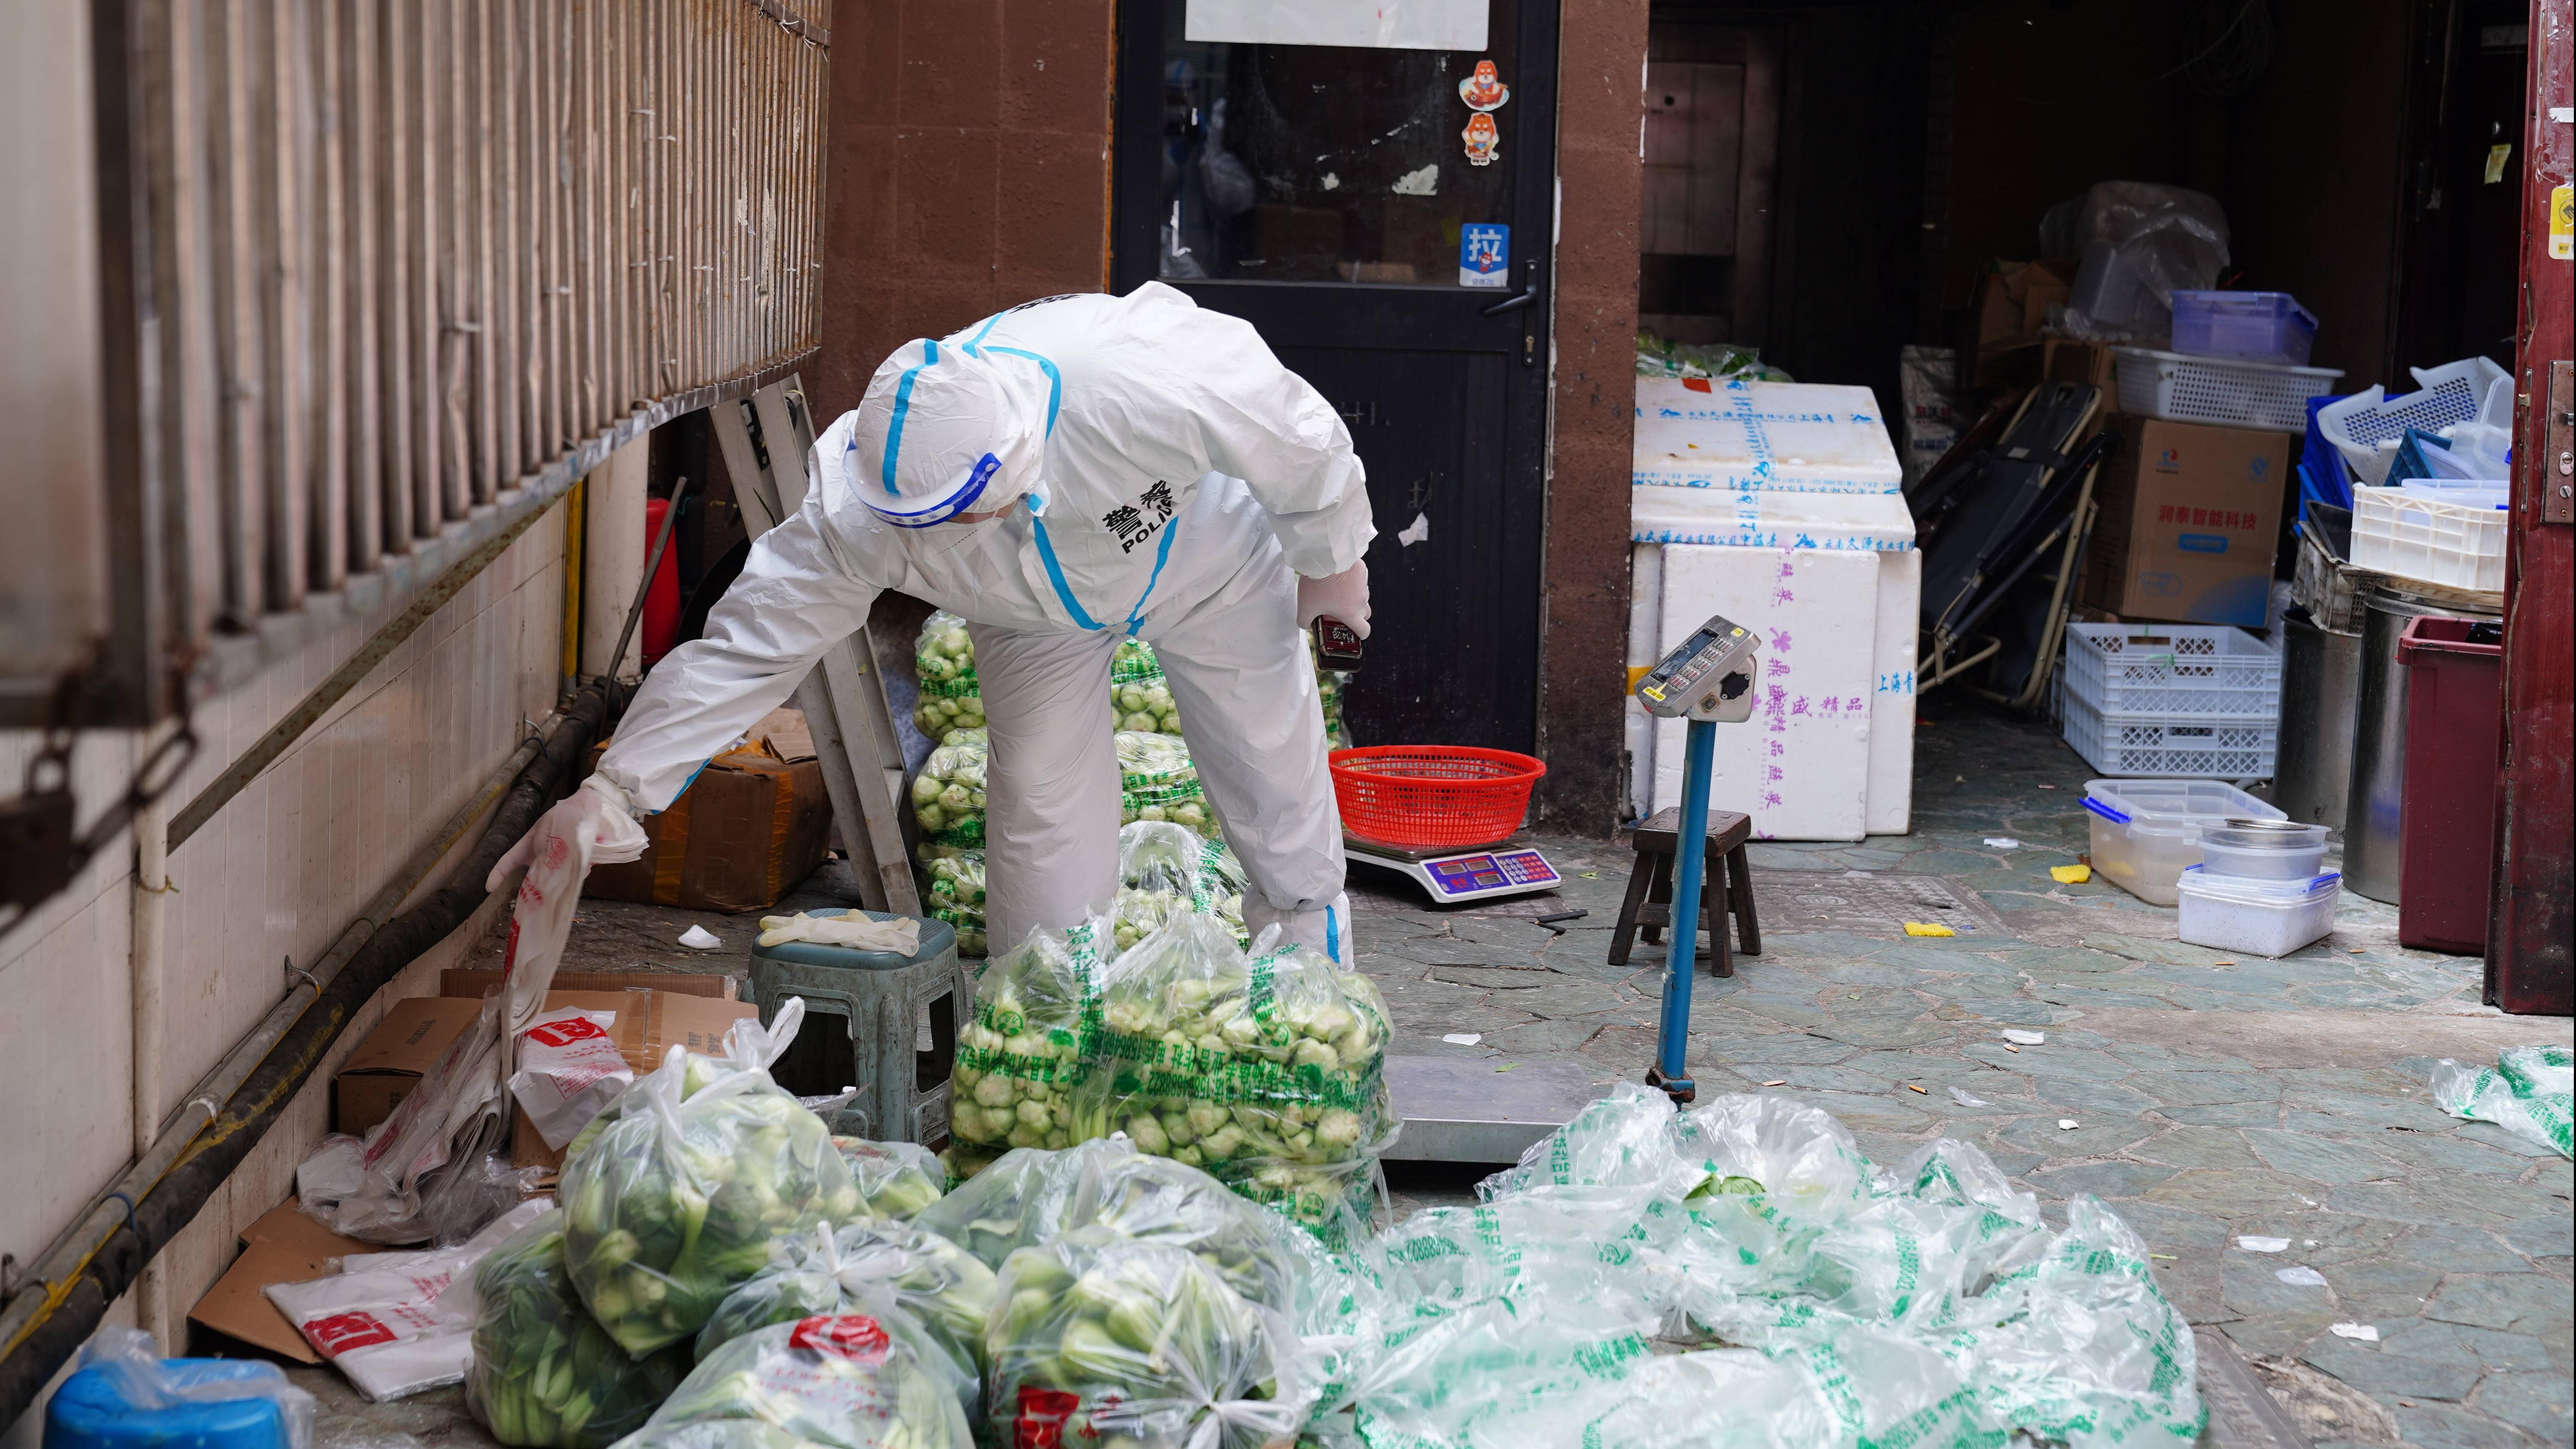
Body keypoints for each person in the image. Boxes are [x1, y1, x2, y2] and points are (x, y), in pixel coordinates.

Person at [492, 284, 1375, 960]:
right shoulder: (862, 508)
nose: (958, 534)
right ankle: (1050, 1024)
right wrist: (617, 789)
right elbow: (749, 646)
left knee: (1271, 776)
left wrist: (1332, 556)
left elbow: (1299, 434)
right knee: (1037, 795)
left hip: (1206, 559)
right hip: (1032, 618)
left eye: (972, 512)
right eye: (934, 528)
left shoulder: (1135, 371)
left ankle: (1310, 995)